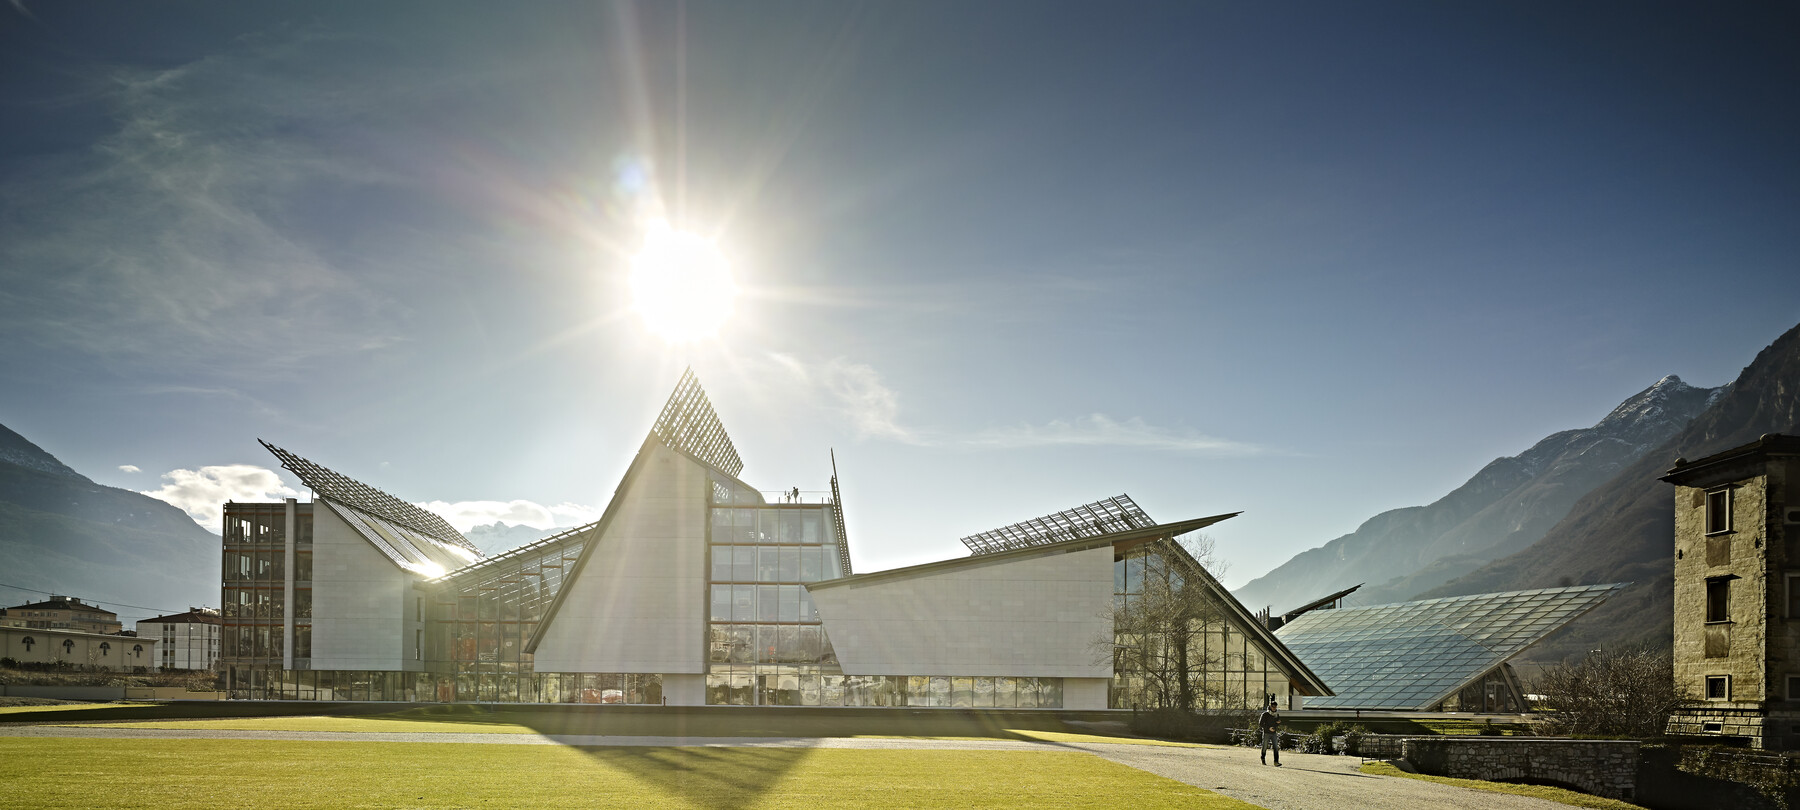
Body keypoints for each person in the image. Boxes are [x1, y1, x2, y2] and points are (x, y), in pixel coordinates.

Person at [1257, 698, 1282, 766]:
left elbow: (1277, 723)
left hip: (1274, 733)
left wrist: (1278, 723)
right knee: (1264, 746)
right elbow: (1261, 724)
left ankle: (1276, 761)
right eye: (1273, 707)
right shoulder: (1265, 714)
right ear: (1270, 706)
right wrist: (1268, 728)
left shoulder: (1276, 714)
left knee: (1276, 747)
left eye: (1275, 707)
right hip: (1266, 733)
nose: (1274, 708)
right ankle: (1263, 758)